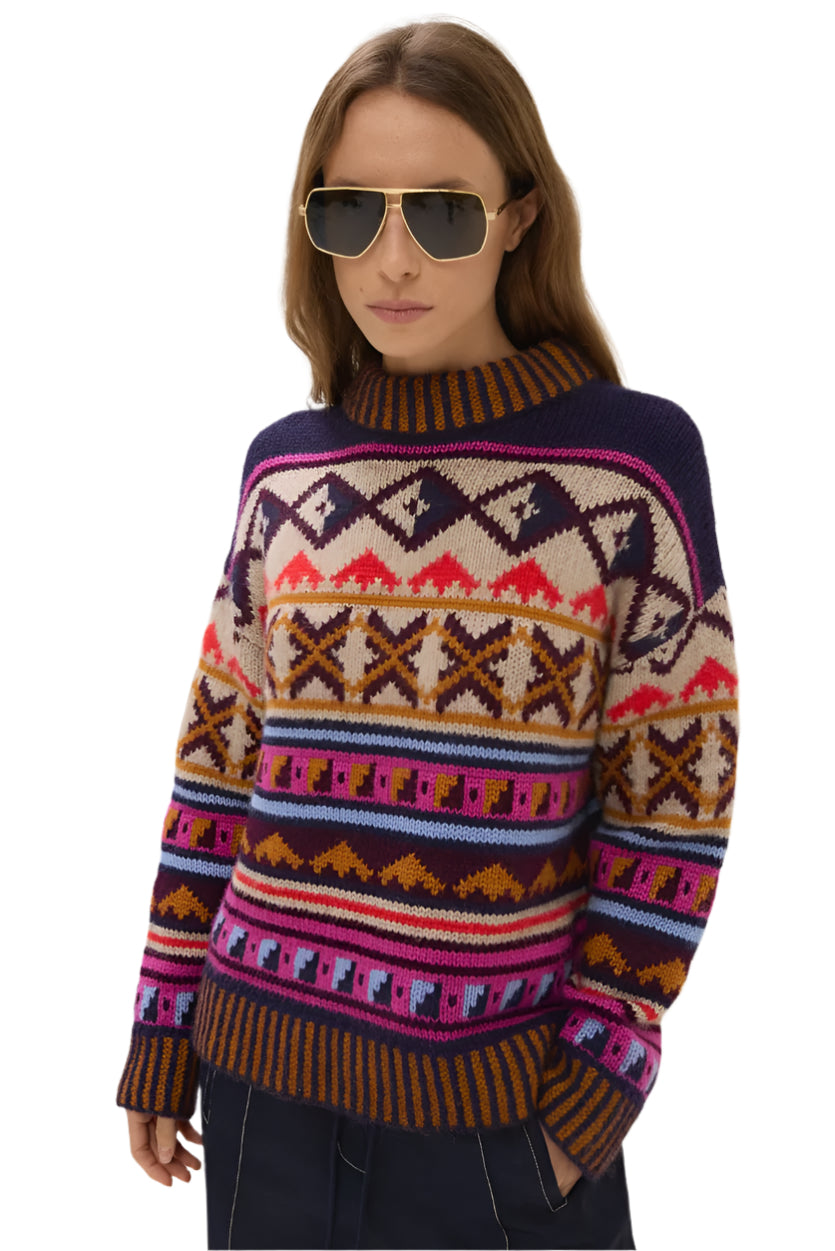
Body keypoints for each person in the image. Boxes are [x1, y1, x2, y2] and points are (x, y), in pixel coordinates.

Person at [117, 18, 738, 1251]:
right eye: (352, 213)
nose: (392, 259)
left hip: (500, 1121)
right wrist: (163, 1021)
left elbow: (675, 801)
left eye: (444, 213)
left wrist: (589, 1093)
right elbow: (218, 766)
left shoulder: (630, 471)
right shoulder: (284, 473)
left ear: (519, 217)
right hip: (258, 1099)